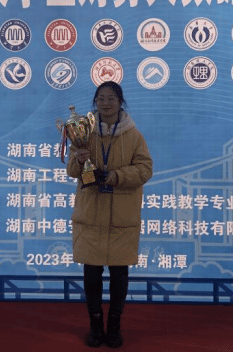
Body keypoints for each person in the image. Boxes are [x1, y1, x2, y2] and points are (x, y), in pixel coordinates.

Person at [66, 81, 153, 349]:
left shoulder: (134, 135)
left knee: (119, 275)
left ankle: (114, 327)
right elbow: (71, 170)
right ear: (95, 102)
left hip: (121, 217)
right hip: (91, 214)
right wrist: (79, 160)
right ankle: (95, 326)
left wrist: (116, 176)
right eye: (101, 98)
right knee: (91, 275)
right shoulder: (84, 132)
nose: (106, 103)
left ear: (120, 102)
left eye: (111, 98)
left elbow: (145, 169)